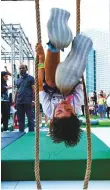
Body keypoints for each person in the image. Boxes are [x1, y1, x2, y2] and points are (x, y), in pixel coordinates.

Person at [36, 43, 83, 147]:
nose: (63, 106)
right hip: (68, 77)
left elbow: (39, 84)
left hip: (50, 77)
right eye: (69, 110)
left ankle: (54, 44)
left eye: (59, 111)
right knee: (64, 88)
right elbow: (78, 81)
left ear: (52, 119)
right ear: (75, 113)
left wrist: (41, 59)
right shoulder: (77, 103)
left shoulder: (48, 110)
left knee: (51, 82)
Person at [15, 64, 35, 132]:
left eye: (23, 68)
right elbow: (17, 92)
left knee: (30, 118)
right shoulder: (17, 80)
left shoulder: (31, 78)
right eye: (20, 68)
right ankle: (21, 133)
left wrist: (33, 100)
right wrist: (15, 102)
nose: (21, 69)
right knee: (20, 119)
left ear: (26, 69)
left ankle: (31, 133)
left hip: (28, 101)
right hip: (19, 102)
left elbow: (34, 90)